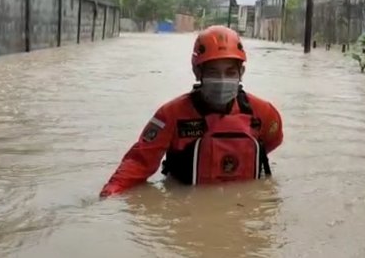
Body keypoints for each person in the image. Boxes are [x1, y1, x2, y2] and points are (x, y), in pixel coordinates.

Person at [99, 25, 284, 197]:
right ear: (197, 72)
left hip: (243, 205)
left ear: (241, 73)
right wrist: (111, 193)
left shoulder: (264, 113)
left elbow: (271, 142)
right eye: (213, 72)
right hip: (186, 207)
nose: (222, 80)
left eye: (230, 72)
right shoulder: (171, 114)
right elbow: (139, 162)